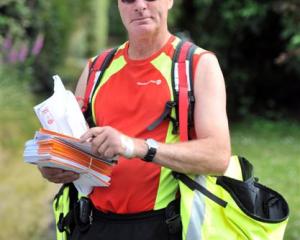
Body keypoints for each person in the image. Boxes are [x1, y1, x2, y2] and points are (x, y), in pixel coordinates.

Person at [39, 0, 231, 239]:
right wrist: (53, 164)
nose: (139, 5)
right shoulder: (96, 68)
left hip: (163, 226)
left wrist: (136, 147)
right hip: (92, 224)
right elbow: (73, 143)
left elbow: (218, 156)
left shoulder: (197, 65)